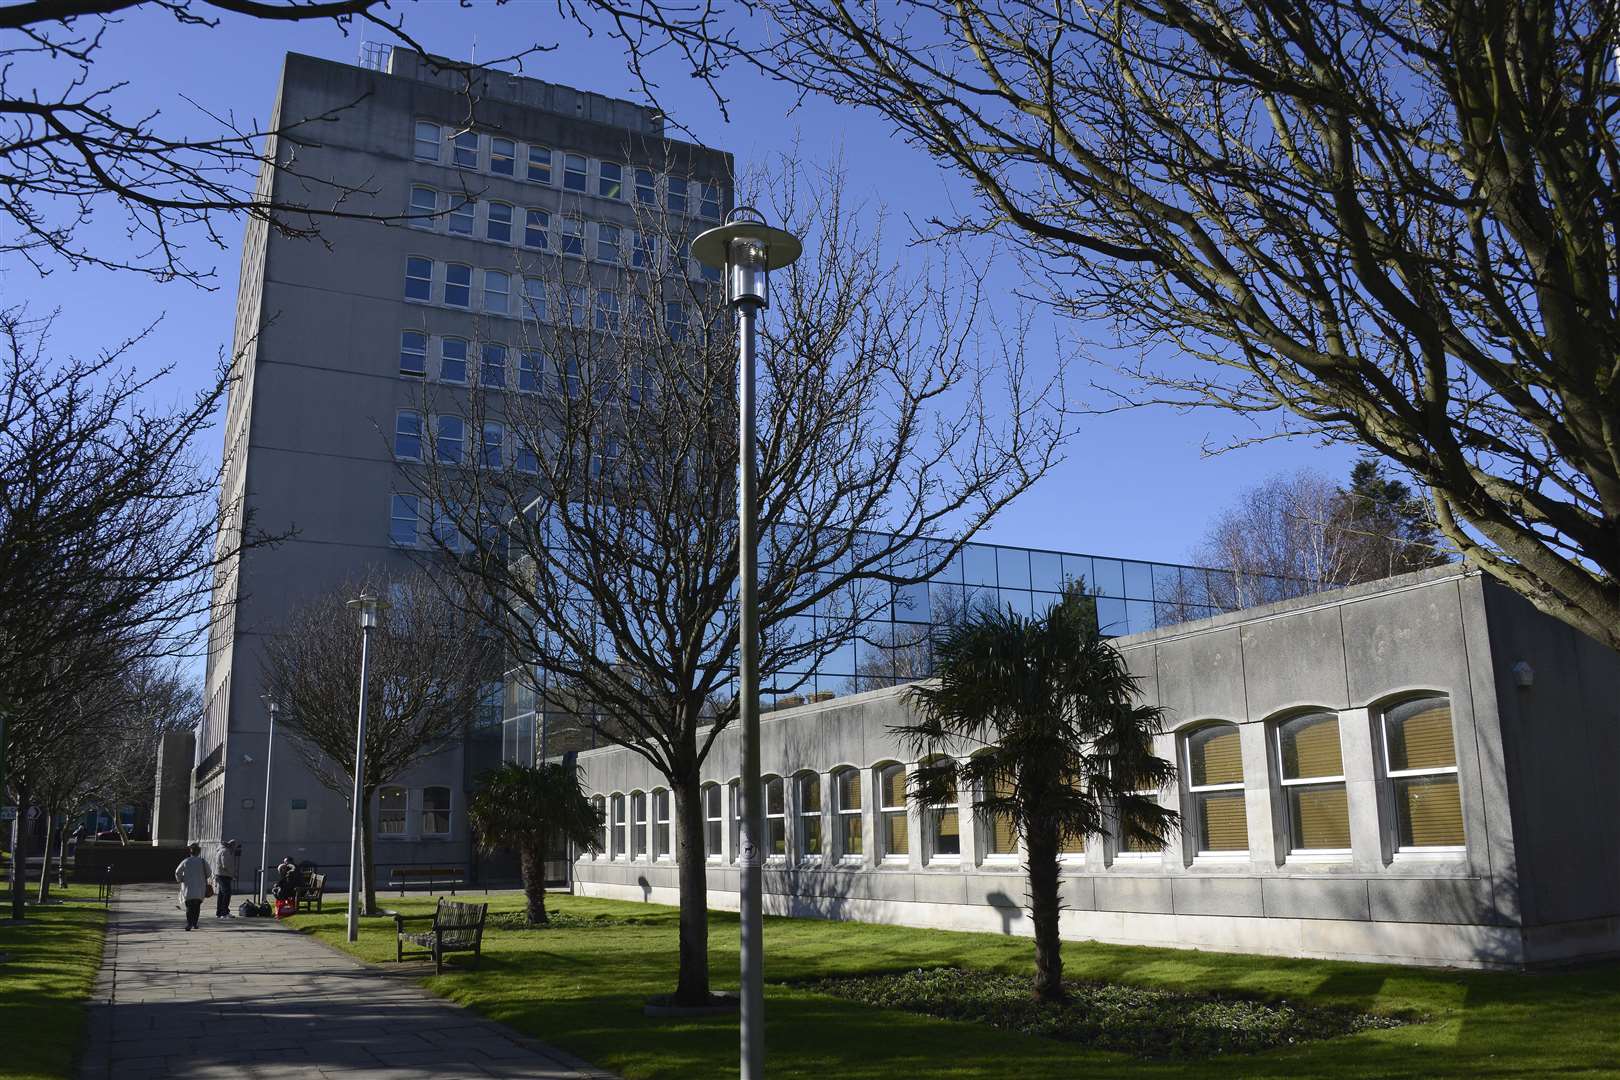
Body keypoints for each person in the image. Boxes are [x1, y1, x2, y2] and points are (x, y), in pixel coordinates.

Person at [174, 843, 211, 931]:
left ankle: (189, 923)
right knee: (197, 906)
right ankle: (195, 923)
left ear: (190, 852)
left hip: (188, 887)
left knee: (189, 906)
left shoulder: (186, 861)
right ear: (198, 852)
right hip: (200, 887)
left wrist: (181, 879)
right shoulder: (202, 861)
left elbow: (177, 872)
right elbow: (209, 873)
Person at [214, 839, 242, 919]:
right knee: (227, 894)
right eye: (234, 847)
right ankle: (224, 912)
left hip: (221, 875)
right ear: (232, 846)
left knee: (221, 894)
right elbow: (225, 865)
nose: (235, 850)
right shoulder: (225, 851)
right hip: (224, 875)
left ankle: (219, 912)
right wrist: (232, 874)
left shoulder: (221, 850)